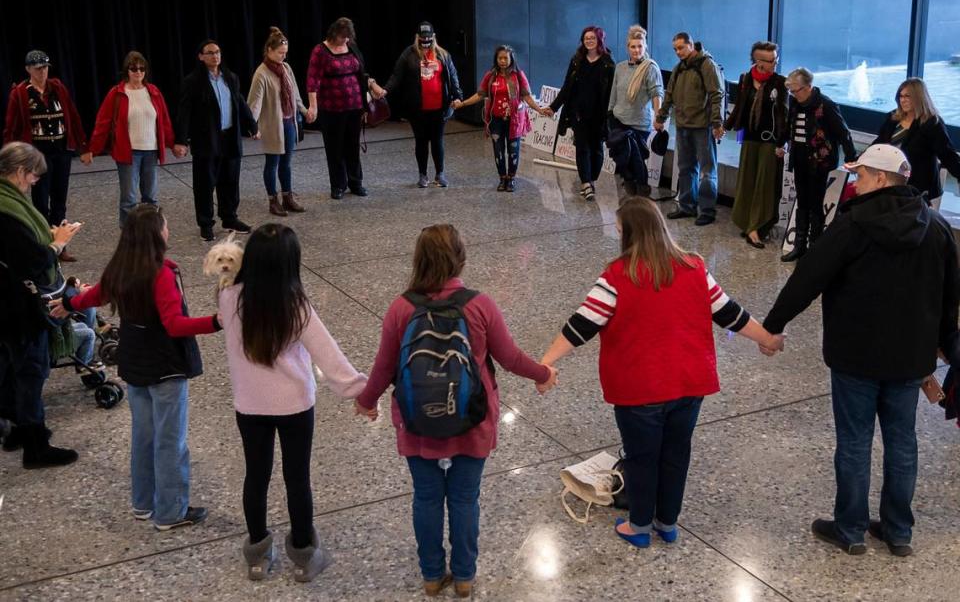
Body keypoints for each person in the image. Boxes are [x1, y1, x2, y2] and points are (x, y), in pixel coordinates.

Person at [538, 196, 781, 547]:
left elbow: (581, 325)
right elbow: (730, 313)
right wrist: (767, 339)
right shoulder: (695, 267)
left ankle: (638, 526)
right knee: (676, 454)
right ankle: (667, 523)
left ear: (629, 234)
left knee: (641, 458)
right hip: (689, 384)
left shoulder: (617, 277)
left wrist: (546, 361)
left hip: (639, 390)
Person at [762, 144, 959, 557]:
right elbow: (950, 296)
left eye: (863, 175)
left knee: (854, 442)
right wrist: (946, 344)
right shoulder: (937, 228)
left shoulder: (853, 226)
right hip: (910, 359)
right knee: (903, 441)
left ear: (883, 180)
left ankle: (850, 530)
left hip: (855, 357)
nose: (856, 181)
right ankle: (898, 530)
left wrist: (774, 325)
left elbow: (808, 278)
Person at [354, 224, 556, 598]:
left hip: (417, 422)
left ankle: (432, 576)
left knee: (426, 498)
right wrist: (543, 373)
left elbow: (384, 367)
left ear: (418, 260)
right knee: (464, 498)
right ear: (461, 259)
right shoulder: (480, 304)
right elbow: (510, 358)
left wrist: (366, 401)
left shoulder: (401, 308)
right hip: (472, 418)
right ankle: (464, 576)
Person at [52, 204, 221, 530]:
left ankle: (143, 503)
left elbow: (97, 296)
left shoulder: (121, 266)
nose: (169, 230)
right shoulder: (161, 274)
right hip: (165, 366)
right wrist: (215, 322)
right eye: (166, 225)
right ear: (157, 234)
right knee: (170, 441)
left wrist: (69, 303)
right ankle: (170, 511)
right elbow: (174, 325)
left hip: (134, 361)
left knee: (143, 436)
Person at [219, 224, 367, 581]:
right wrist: (363, 390)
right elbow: (330, 360)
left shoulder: (228, 297)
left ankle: (256, 554)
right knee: (296, 477)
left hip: (249, 404)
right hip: (295, 406)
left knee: (256, 476)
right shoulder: (296, 305)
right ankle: (303, 555)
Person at [0, 142, 81, 467]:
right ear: (20, 172)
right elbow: (30, 260)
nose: (34, 182)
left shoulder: (8, 203)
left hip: (6, 302)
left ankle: (15, 430)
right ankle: (36, 446)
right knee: (32, 370)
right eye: (33, 176)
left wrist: (47, 238)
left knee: (8, 367)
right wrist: (56, 244)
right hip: (17, 304)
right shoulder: (7, 210)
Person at [4, 50, 92, 263]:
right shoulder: (21, 93)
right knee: (41, 201)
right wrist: (8, 157)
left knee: (60, 199)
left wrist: (83, 146)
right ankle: (45, 245)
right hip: (37, 155)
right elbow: (11, 126)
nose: (42, 72)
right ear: (28, 70)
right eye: (37, 68)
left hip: (60, 151)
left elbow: (72, 115)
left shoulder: (57, 88)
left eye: (44, 67)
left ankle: (62, 246)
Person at [174, 39, 259, 241]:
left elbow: (239, 101)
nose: (215, 56)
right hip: (206, 140)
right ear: (201, 57)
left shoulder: (230, 77)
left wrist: (252, 125)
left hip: (229, 137)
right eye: (210, 53)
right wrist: (180, 140)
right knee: (204, 183)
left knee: (230, 180)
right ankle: (206, 223)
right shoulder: (193, 82)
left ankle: (229, 217)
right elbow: (184, 112)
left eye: (218, 52)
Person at [89, 51, 176, 227]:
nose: (138, 72)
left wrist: (173, 144)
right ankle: (128, 237)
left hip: (150, 151)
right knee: (129, 198)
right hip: (128, 152)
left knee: (150, 196)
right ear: (126, 71)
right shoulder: (117, 93)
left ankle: (152, 232)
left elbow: (164, 120)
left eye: (142, 69)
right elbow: (103, 123)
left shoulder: (153, 92)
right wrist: (92, 149)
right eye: (133, 68)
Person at [781, 67, 856, 262]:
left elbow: (843, 132)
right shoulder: (795, 102)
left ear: (808, 87)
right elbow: (789, 125)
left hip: (819, 162)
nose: (793, 94)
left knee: (816, 204)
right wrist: (780, 143)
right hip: (799, 159)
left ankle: (814, 248)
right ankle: (799, 245)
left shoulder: (827, 105)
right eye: (791, 91)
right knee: (803, 201)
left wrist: (851, 158)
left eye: (796, 90)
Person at [306, 17, 382, 200]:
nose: (345, 40)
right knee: (335, 148)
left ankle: (356, 182)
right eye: (342, 37)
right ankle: (338, 185)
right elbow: (312, 80)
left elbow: (361, 73)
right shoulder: (320, 51)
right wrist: (313, 106)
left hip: (354, 106)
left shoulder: (352, 47)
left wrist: (372, 86)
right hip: (332, 109)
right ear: (334, 34)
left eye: (348, 37)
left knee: (352, 147)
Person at [455, 45, 547, 192]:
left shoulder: (518, 75)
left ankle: (511, 178)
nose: (503, 61)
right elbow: (480, 95)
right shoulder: (490, 76)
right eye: (500, 58)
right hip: (496, 120)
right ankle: (502, 178)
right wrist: (463, 103)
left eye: (505, 58)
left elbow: (526, 96)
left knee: (513, 151)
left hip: (514, 120)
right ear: (496, 59)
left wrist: (539, 110)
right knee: (498, 150)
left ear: (511, 59)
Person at [383, 22, 463, 188]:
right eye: (422, 37)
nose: (425, 40)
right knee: (421, 141)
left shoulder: (442, 54)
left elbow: (453, 76)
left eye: (428, 37)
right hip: (417, 108)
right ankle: (423, 175)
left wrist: (458, 96)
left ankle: (440, 174)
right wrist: (384, 91)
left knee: (437, 140)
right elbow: (396, 76)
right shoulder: (409, 54)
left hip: (440, 107)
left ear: (433, 37)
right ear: (417, 37)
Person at [656, 33, 725, 226]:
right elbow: (669, 95)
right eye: (675, 49)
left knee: (707, 170)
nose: (678, 52)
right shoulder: (679, 68)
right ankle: (687, 206)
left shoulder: (707, 65)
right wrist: (661, 117)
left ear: (691, 45)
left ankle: (707, 210)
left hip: (703, 127)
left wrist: (717, 123)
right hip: (683, 126)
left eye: (681, 48)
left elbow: (716, 95)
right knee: (685, 169)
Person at [724, 41, 788, 249]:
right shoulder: (745, 79)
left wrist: (782, 141)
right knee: (747, 180)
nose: (774, 64)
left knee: (765, 184)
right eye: (770, 61)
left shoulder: (780, 83)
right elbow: (740, 107)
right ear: (758, 62)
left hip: (770, 140)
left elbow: (783, 115)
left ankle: (757, 227)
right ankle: (746, 221)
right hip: (750, 136)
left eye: (776, 59)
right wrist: (725, 126)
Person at [544, 26, 616, 202]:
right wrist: (553, 107)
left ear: (599, 40)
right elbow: (567, 87)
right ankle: (586, 183)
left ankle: (591, 180)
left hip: (599, 114)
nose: (589, 40)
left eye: (592, 38)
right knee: (582, 148)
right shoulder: (577, 60)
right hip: (578, 112)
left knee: (597, 149)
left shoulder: (608, 63)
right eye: (586, 38)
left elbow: (613, 92)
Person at [248, 27, 312, 216]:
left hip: (289, 123)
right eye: (280, 53)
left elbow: (295, 95)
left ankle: (288, 198)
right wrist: (253, 126)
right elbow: (254, 103)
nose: (284, 57)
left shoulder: (286, 68)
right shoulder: (261, 74)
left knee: (287, 163)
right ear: (269, 50)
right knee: (272, 163)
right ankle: (273, 201)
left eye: (285, 53)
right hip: (272, 126)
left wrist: (304, 110)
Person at [871, 77, 960, 202]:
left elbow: (947, 154)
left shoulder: (932, 123)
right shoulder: (893, 118)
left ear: (919, 98)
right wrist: (860, 160)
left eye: (908, 96)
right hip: (890, 181)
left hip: (918, 187)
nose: (903, 100)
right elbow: (879, 143)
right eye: (901, 96)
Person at [606, 25, 664, 197]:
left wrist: (658, 117)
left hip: (639, 124)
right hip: (618, 121)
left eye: (640, 46)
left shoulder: (650, 68)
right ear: (627, 48)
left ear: (645, 46)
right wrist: (609, 114)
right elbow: (614, 93)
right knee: (623, 163)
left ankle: (642, 194)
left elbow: (657, 93)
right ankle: (632, 197)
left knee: (636, 162)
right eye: (633, 46)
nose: (636, 50)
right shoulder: (620, 67)